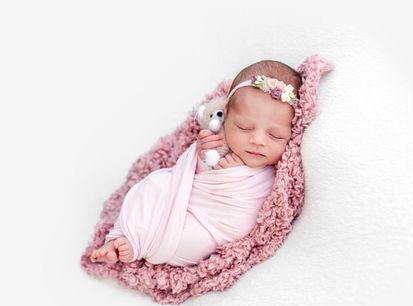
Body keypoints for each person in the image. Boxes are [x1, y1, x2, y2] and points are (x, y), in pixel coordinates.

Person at [90, 60, 302, 266]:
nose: (258, 140)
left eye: (275, 136)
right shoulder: (216, 137)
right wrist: (202, 154)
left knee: (194, 242)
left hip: (213, 223)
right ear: (225, 116)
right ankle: (120, 238)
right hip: (182, 195)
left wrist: (229, 175)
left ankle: (141, 245)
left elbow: (266, 208)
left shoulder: (277, 172)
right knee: (154, 184)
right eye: (244, 127)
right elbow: (189, 174)